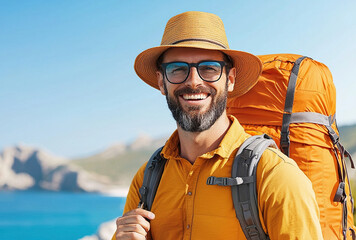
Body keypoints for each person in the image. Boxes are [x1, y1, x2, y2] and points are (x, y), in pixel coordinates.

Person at [113, 11, 323, 240]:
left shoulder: (275, 175)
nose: (193, 81)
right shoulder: (148, 178)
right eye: (177, 69)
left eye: (209, 68)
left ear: (230, 79)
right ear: (161, 82)